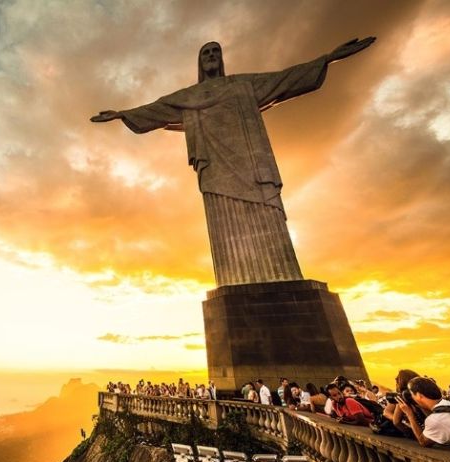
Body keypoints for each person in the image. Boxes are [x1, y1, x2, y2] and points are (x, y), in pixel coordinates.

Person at [92, 38, 375, 286]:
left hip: (252, 166)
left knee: (268, 217)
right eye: (206, 53)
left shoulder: (244, 84)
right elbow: (157, 108)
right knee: (226, 229)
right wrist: (121, 114)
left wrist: (329, 57)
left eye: (216, 51)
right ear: (200, 63)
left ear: (222, 58)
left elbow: (286, 78)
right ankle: (236, 279)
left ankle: (283, 276)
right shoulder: (188, 96)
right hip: (216, 171)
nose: (212, 56)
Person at [396, 377, 450, 450]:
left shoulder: (436, 418)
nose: (412, 398)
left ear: (418, 395)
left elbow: (423, 441)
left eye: (412, 394)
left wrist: (409, 414)